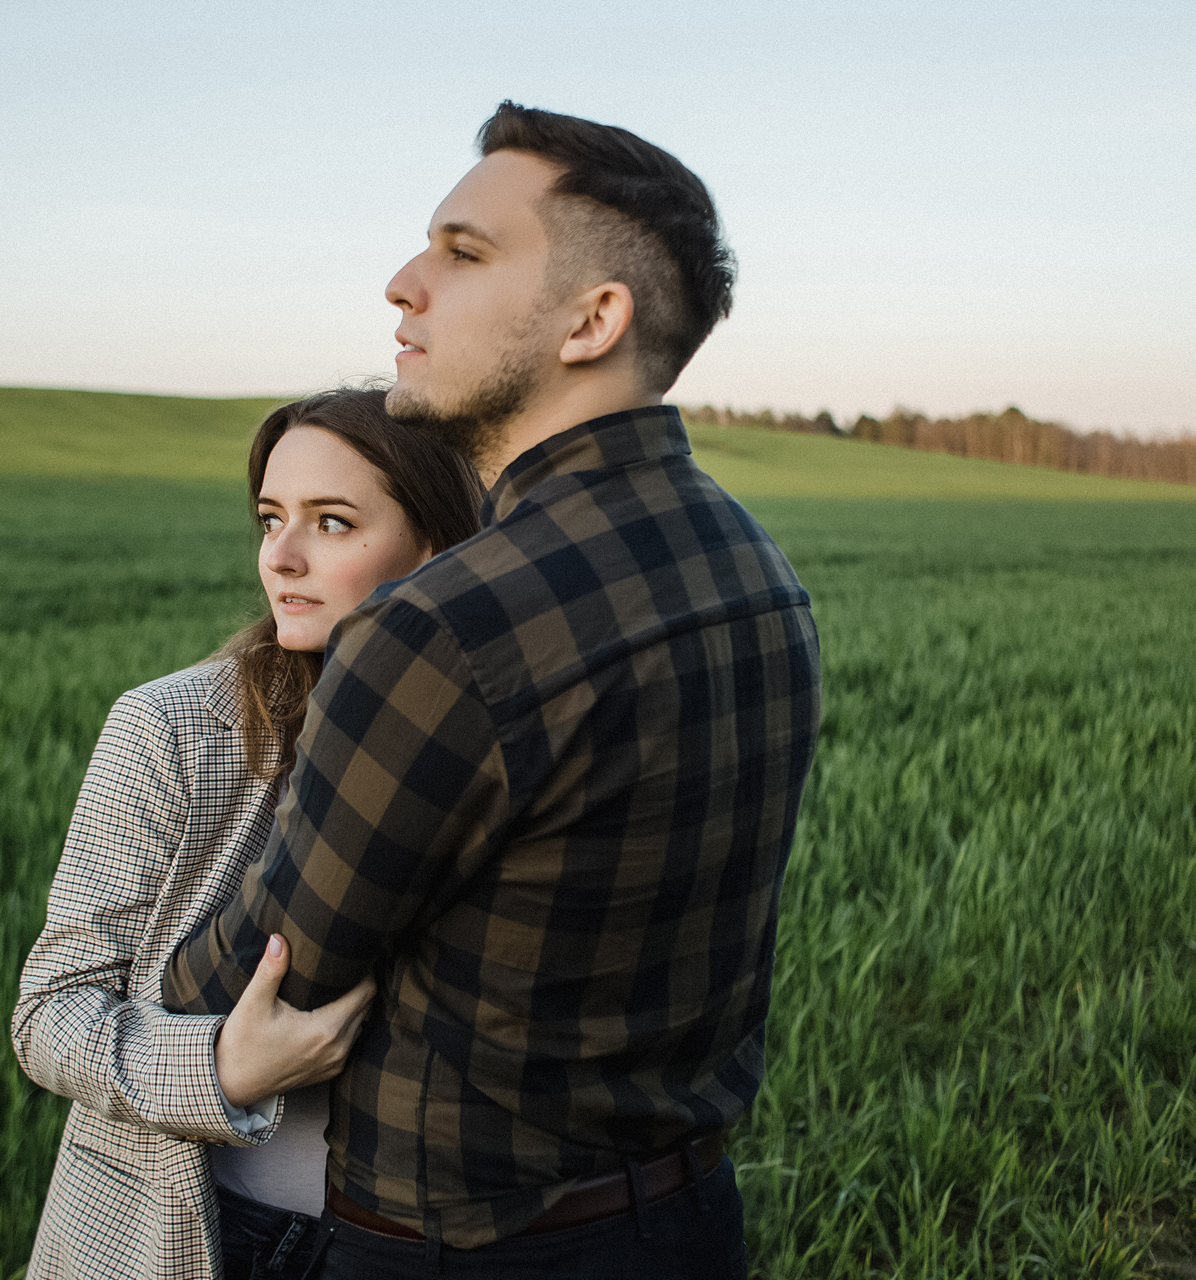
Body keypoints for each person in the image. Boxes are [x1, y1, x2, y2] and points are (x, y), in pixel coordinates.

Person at [162, 102, 823, 1278]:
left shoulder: (442, 630)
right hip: (688, 1220)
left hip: (465, 1250)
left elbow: (261, 974)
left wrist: (171, 964)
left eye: (464, 251)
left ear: (592, 319)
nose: (402, 283)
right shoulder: (755, 567)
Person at [13, 388, 484, 1280]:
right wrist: (225, 1068)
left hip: (417, 1249)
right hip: (201, 1234)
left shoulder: (484, 742)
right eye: (272, 520)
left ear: (436, 548)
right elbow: (49, 1014)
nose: (284, 559)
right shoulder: (175, 730)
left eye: (333, 524)